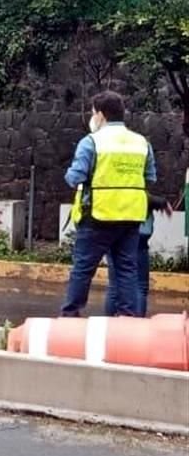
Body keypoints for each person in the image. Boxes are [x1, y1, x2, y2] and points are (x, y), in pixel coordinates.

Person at [62, 91, 156, 317]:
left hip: (98, 216)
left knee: (83, 269)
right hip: (131, 217)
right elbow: (150, 178)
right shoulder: (141, 143)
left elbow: (75, 178)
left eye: (93, 113)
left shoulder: (91, 142)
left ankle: (70, 316)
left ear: (101, 115)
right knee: (126, 271)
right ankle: (127, 319)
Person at [104, 195, 173, 317]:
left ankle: (109, 323)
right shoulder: (133, 186)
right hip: (136, 234)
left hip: (111, 230)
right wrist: (162, 202)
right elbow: (140, 196)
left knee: (114, 285)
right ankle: (137, 322)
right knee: (140, 286)